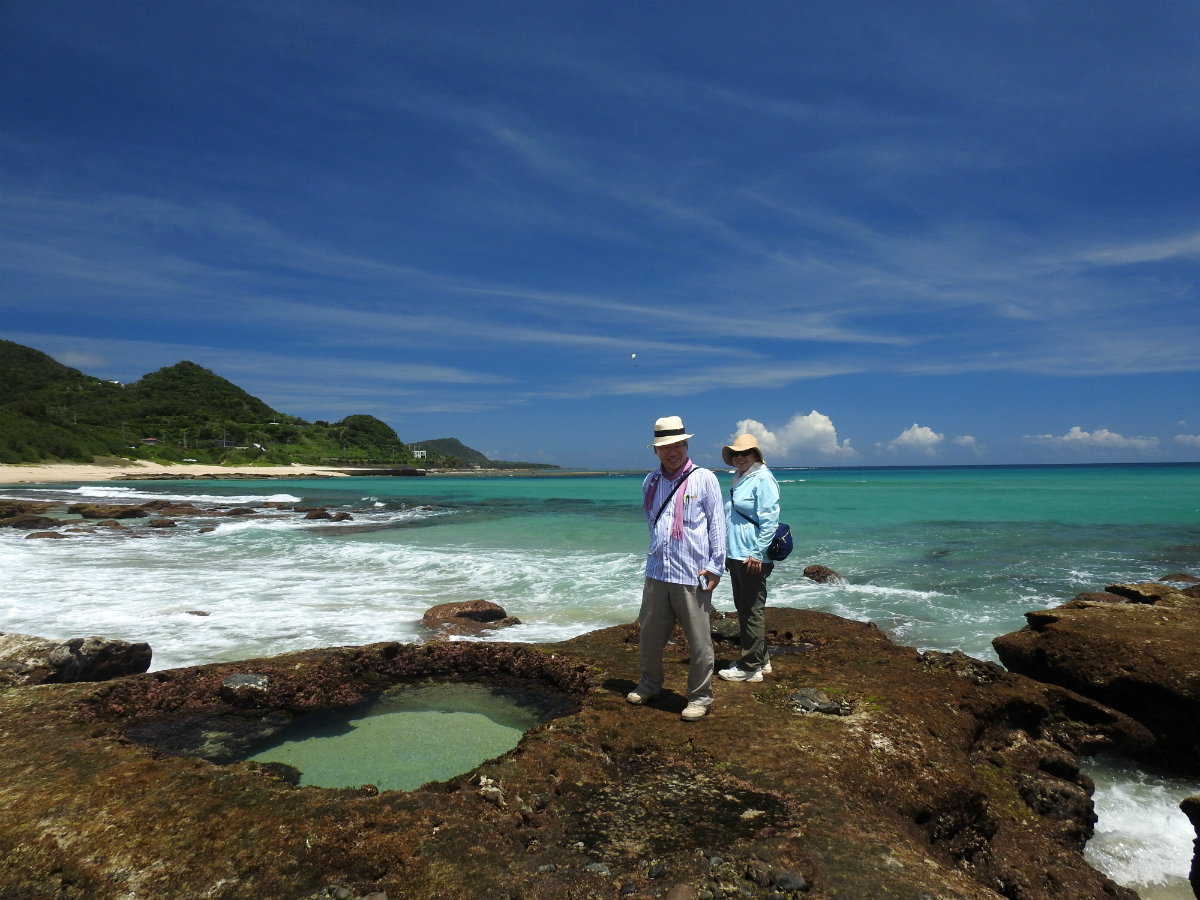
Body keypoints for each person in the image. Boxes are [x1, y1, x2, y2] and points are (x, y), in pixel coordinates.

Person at [626, 416, 726, 721]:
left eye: (679, 445)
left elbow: (717, 525)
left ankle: (700, 697)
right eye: (666, 447)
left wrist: (715, 566)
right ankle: (650, 684)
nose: (673, 451)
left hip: (692, 574)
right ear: (656, 451)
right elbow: (653, 525)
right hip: (657, 571)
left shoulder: (704, 478)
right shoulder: (650, 482)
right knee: (650, 636)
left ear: (687, 444)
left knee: (699, 642)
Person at [717, 433, 780, 683]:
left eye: (745, 453)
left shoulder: (762, 478)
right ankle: (760, 660)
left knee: (751, 610)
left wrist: (757, 552)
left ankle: (749, 667)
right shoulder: (741, 478)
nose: (739, 457)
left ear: (756, 454)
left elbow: (770, 519)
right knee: (745, 609)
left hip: (751, 556)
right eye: (736, 454)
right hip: (737, 553)